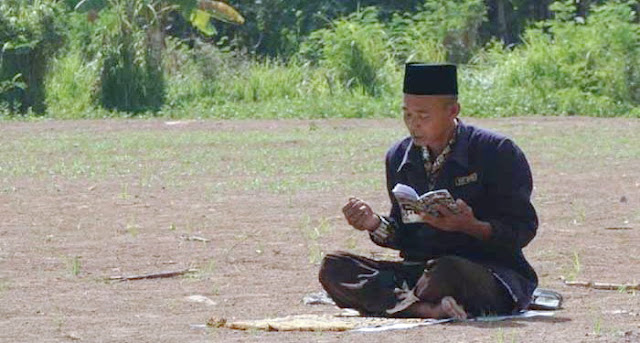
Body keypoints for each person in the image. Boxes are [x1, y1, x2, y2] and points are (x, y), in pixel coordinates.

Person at [318, 63, 538, 319]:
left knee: (447, 271)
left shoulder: (497, 151)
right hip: (420, 270)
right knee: (334, 267)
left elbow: (523, 229)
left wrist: (471, 226)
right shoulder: (398, 156)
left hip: (484, 271)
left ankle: (400, 301)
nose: (414, 125)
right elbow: (404, 233)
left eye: (423, 116)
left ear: (452, 111)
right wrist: (374, 223)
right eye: (407, 115)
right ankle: (426, 309)